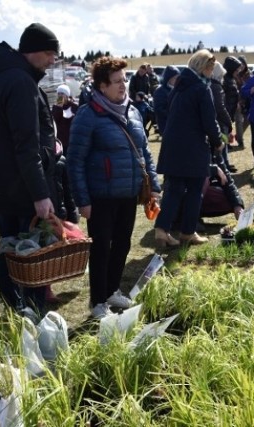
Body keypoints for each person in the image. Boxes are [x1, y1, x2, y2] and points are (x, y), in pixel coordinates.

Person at [67, 56, 162, 319]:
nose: (124, 85)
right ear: (101, 86)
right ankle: (98, 301)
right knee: (100, 249)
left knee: (122, 244)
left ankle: (111, 291)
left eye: (125, 79)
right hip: (100, 196)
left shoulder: (132, 111)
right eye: (117, 81)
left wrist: (153, 185)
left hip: (128, 193)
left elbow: (145, 152)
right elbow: (75, 161)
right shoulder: (88, 115)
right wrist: (82, 200)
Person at [0, 23, 61, 318]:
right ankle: (31, 314)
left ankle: (15, 310)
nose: (53, 61)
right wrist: (40, 194)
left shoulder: (1, 78)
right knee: (31, 254)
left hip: (3, 184)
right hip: (21, 188)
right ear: (33, 52)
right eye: (50, 53)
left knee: (9, 252)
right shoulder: (21, 82)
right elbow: (25, 145)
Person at [154, 49, 223, 247]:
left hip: (172, 145)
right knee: (194, 191)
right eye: (210, 67)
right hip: (193, 147)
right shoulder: (202, 88)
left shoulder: (179, 85)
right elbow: (209, 121)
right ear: (203, 67)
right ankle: (187, 232)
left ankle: (161, 230)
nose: (211, 71)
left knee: (173, 190)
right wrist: (217, 141)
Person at [210, 61, 235, 172]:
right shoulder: (216, 86)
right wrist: (229, 123)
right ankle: (224, 168)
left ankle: (226, 165)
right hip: (220, 122)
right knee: (222, 146)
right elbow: (220, 108)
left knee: (222, 146)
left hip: (216, 121)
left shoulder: (210, 85)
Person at [51, 83, 78, 156]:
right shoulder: (56, 107)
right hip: (61, 139)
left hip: (71, 139)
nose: (60, 96)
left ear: (67, 95)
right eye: (58, 94)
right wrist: (58, 107)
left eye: (62, 93)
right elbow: (54, 121)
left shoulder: (74, 106)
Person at [152, 65, 179, 137]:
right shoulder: (160, 91)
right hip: (166, 126)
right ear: (169, 78)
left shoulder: (177, 90)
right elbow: (159, 109)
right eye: (175, 78)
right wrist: (174, 115)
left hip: (177, 125)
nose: (177, 80)